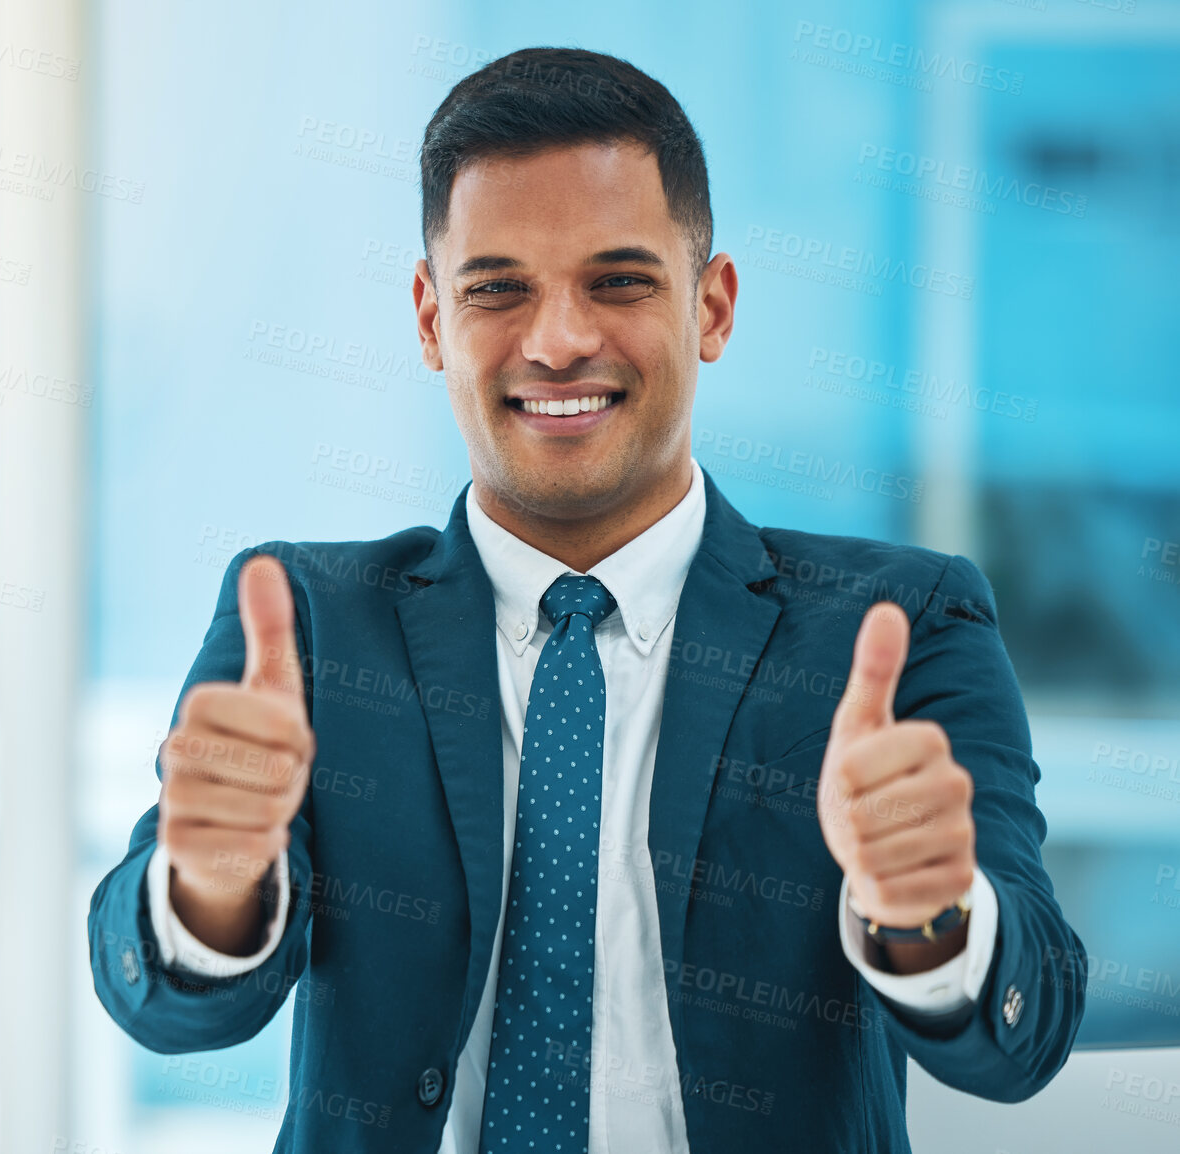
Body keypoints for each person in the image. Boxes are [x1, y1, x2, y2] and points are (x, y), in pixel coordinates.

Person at [87, 46, 1086, 1153]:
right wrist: (214, 887)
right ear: (430, 321)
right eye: (497, 288)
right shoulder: (307, 623)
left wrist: (927, 917)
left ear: (712, 306)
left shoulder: (898, 628)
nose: (558, 340)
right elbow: (168, 1004)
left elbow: (1021, 1034)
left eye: (618, 281)